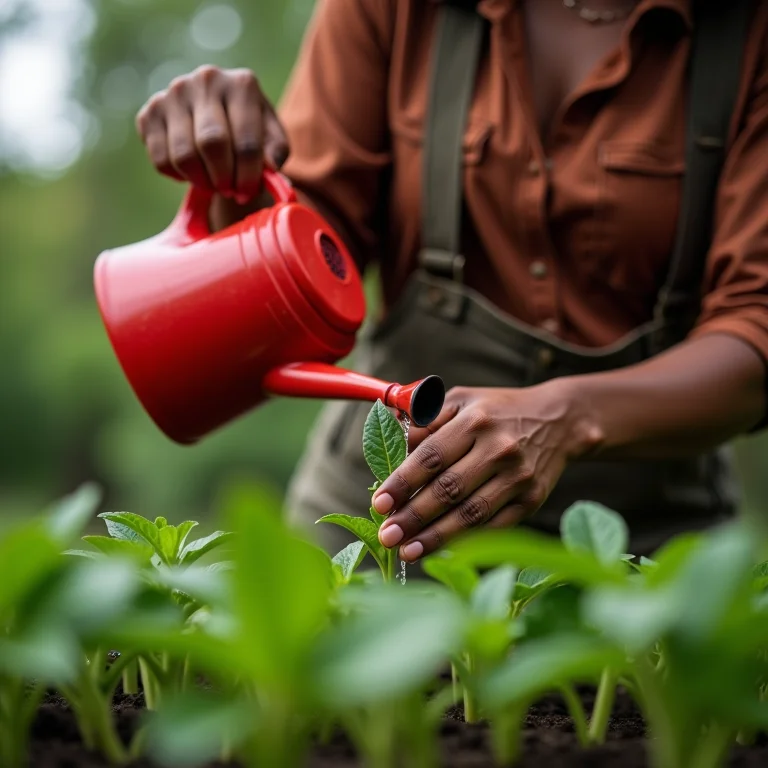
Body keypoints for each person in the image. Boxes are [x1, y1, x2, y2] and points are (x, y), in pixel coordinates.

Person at [135, 0, 768, 559]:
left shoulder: (747, 32)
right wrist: (231, 176)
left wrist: (569, 416)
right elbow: (314, 260)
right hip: (386, 521)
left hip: (641, 546)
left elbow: (755, 327)